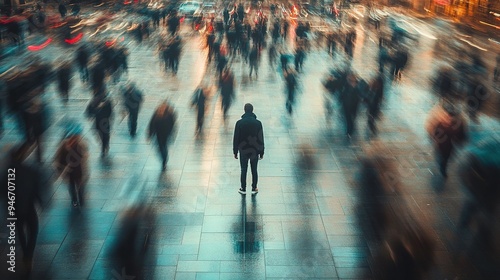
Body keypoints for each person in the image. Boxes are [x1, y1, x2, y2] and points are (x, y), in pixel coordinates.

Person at [425, 102, 467, 177]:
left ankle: (443, 165)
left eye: (451, 116)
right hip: (441, 143)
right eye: (448, 116)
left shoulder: (458, 122)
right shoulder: (440, 122)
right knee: (441, 153)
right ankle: (442, 165)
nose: (449, 118)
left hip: (450, 144)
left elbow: (462, 133)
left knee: (447, 156)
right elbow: (434, 131)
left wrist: (460, 139)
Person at [54, 123, 88, 207]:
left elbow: (83, 158)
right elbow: (59, 159)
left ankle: (80, 199)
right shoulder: (64, 146)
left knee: (79, 186)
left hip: (78, 170)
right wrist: (60, 169)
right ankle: (75, 200)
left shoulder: (80, 145)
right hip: (70, 171)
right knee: (72, 185)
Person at [233, 103, 265, 194]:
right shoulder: (258, 123)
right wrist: (262, 151)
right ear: (252, 110)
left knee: (243, 169)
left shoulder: (239, 123)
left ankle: (243, 188)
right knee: (254, 169)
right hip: (254, 150)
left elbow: (236, 138)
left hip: (243, 150)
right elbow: (261, 138)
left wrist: (235, 151)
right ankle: (254, 187)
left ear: (244, 110)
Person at [148, 101, 177, 171]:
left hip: (166, 134)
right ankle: (163, 158)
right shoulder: (156, 113)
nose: (162, 108)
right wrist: (150, 133)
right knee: (160, 147)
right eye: (161, 107)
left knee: (164, 147)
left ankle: (164, 160)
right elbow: (151, 123)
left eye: (164, 107)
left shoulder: (170, 114)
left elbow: (172, 124)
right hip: (158, 134)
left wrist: (171, 133)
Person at [85, 91, 113, 157]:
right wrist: (94, 112)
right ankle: (104, 145)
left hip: (105, 121)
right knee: (101, 134)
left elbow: (110, 111)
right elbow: (88, 111)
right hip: (98, 121)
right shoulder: (93, 102)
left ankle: (104, 147)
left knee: (105, 135)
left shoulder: (107, 102)